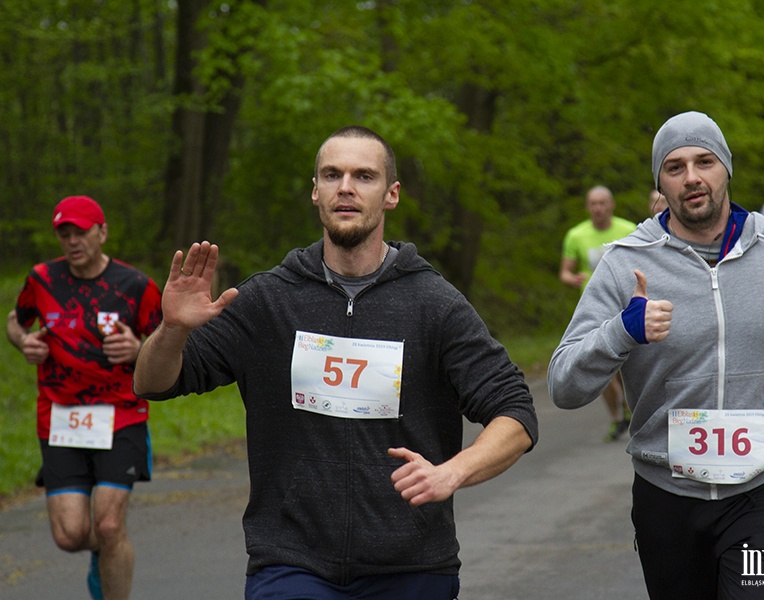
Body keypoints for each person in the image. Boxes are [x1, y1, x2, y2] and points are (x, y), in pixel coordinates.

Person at [132, 125, 538, 600]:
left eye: (363, 176)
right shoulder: (268, 300)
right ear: (315, 192)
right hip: (290, 564)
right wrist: (174, 329)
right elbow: (153, 382)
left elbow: (516, 413)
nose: (345, 186)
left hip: (411, 567)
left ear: (391, 195)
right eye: (332, 174)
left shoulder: (434, 305)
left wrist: (453, 471)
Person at [548, 111, 764, 599]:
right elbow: (563, 385)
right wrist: (623, 331)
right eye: (675, 167)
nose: (692, 177)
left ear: (726, 169)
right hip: (667, 497)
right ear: (660, 185)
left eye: (704, 161)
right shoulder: (622, 262)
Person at [6, 195, 162, 600]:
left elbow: (172, 338)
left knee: (109, 526)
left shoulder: (135, 285)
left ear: (102, 232)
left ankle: (111, 567)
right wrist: (25, 343)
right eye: (65, 234)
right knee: (71, 535)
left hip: (121, 414)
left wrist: (139, 348)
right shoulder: (42, 279)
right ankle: (104, 552)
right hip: (60, 417)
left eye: (82, 232)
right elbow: (15, 322)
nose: (73, 241)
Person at [559, 186, 636, 441]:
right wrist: (573, 279)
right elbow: (565, 272)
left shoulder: (628, 229)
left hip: (624, 305)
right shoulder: (576, 235)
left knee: (624, 365)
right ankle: (617, 417)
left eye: (602, 203)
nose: (598, 208)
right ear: (587, 207)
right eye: (593, 203)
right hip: (592, 310)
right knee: (601, 364)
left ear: (611, 205)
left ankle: (628, 407)